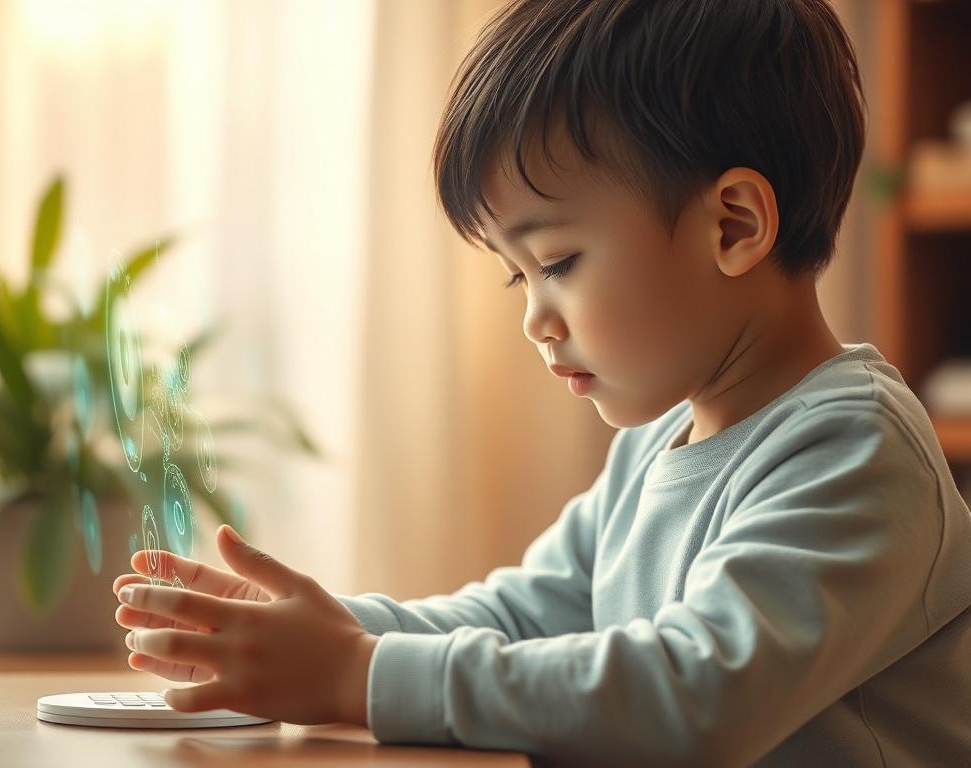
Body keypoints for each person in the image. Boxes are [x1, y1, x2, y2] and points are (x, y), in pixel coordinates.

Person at [113, 0, 971, 764]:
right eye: (516, 276)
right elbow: (522, 620)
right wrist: (324, 632)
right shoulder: (654, 445)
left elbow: (697, 698)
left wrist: (356, 675)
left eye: (557, 262)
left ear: (734, 226)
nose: (535, 319)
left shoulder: (855, 448)